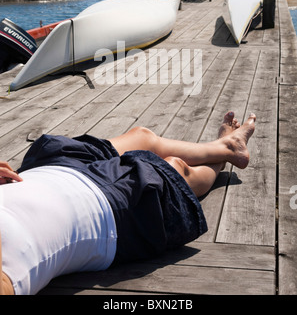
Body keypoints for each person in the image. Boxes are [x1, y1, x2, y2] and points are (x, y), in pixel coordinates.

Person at [0, 111, 256, 296]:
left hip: (43, 172)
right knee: (174, 169)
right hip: (99, 210)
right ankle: (226, 155)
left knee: (142, 136)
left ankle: (223, 146)